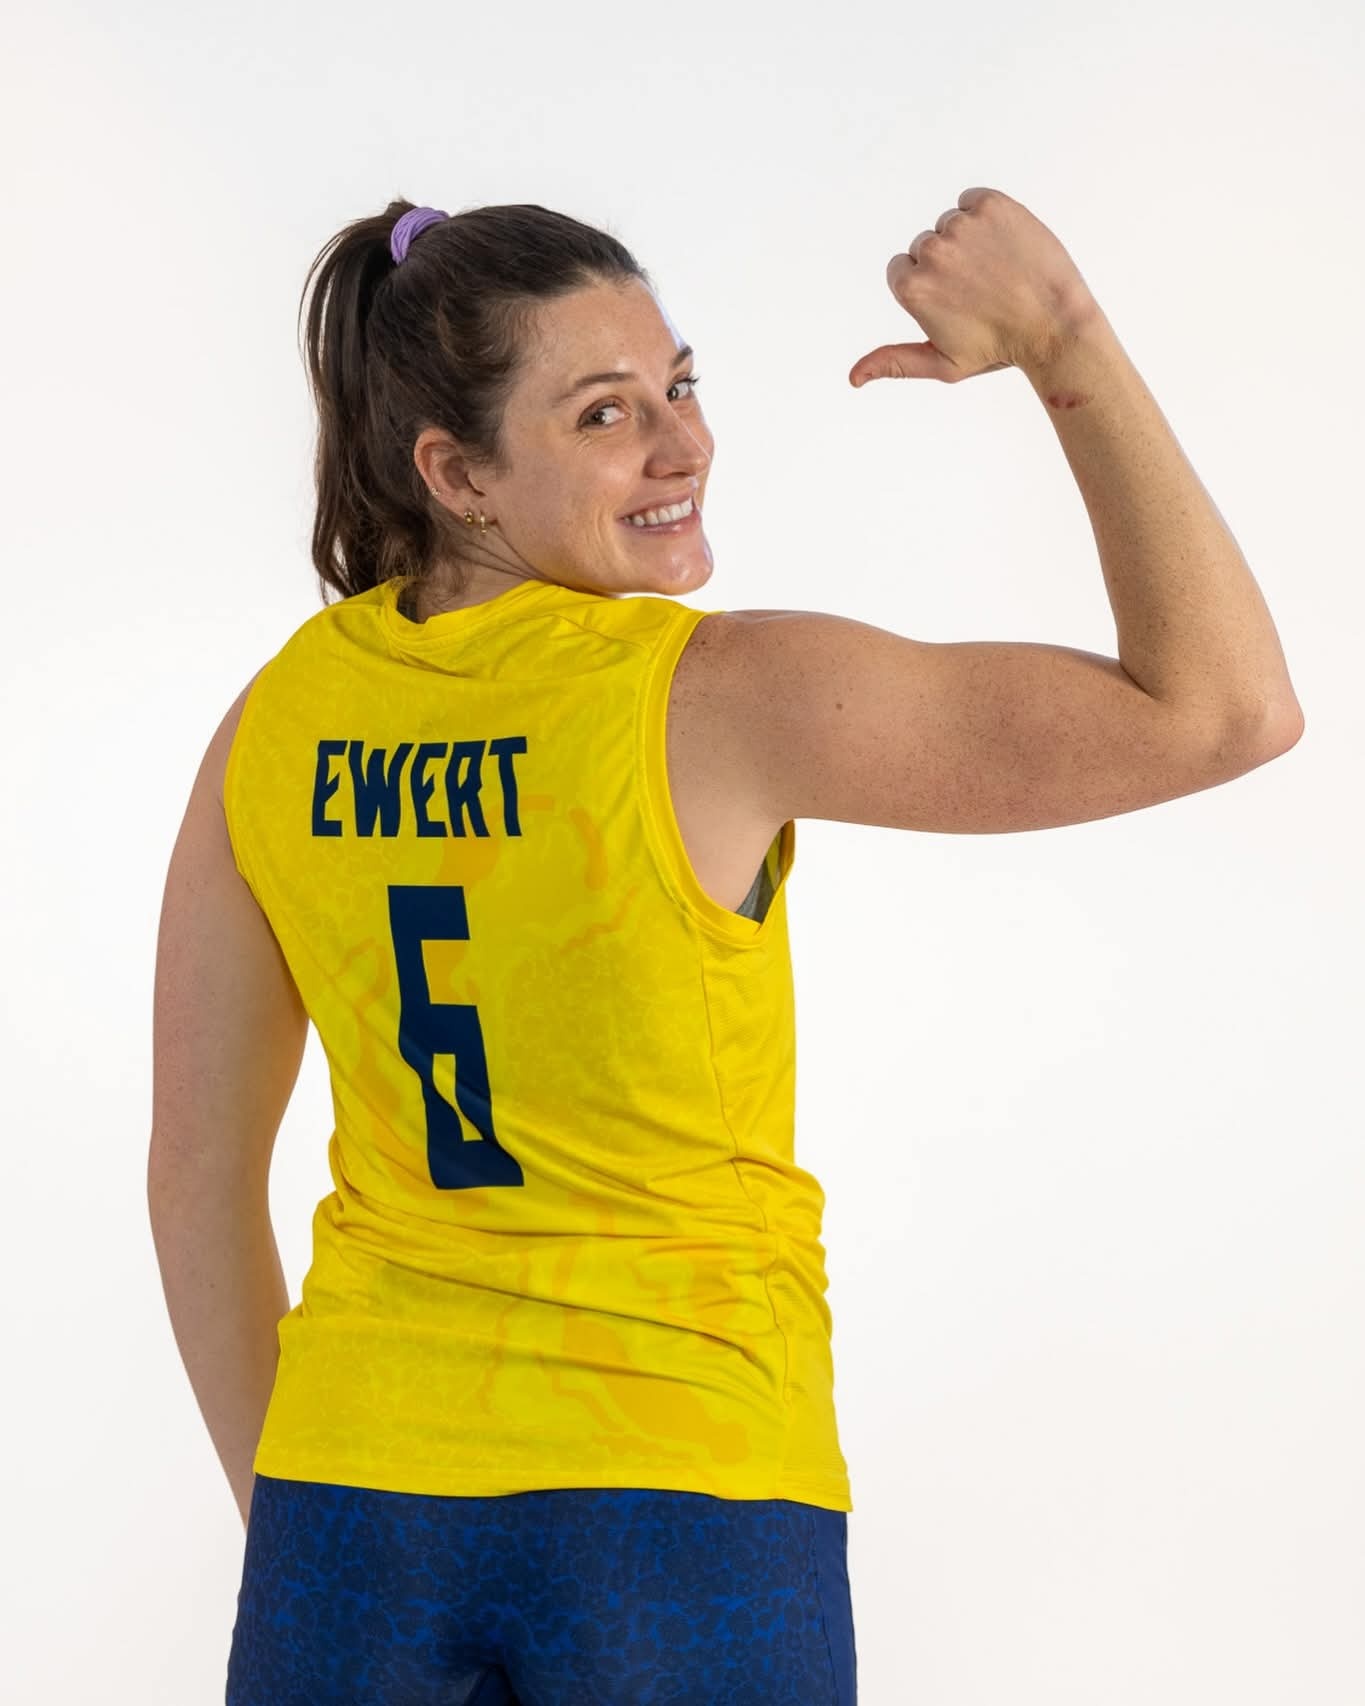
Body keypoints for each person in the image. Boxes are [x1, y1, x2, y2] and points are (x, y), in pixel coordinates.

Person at [147, 188, 1303, 1706]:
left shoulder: (276, 723)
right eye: (604, 413)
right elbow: (1223, 709)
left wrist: (304, 1525)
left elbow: (194, 1172)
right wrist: (1063, 337)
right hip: (680, 1511)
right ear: (457, 473)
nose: (681, 444)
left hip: (354, 1515)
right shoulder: (711, 695)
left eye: (679, 386)